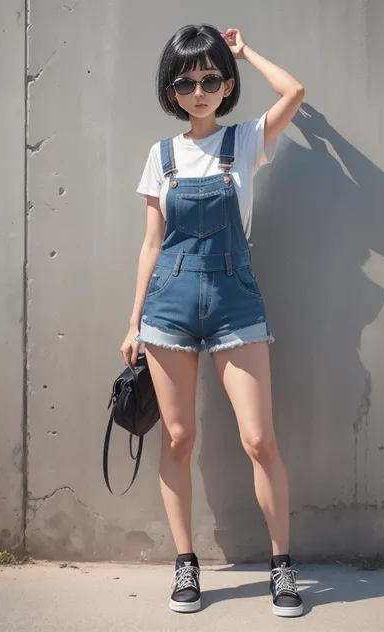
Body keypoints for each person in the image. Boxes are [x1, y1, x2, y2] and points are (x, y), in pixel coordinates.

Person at [120, 24, 305, 617]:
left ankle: (282, 566)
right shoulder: (162, 155)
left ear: (225, 85)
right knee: (177, 439)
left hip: (235, 300)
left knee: (259, 439)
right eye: (185, 80)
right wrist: (132, 323)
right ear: (171, 88)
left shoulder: (246, 140)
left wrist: (247, 52)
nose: (197, 89)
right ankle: (185, 563)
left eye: (209, 78)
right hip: (168, 305)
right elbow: (152, 244)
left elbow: (295, 91)